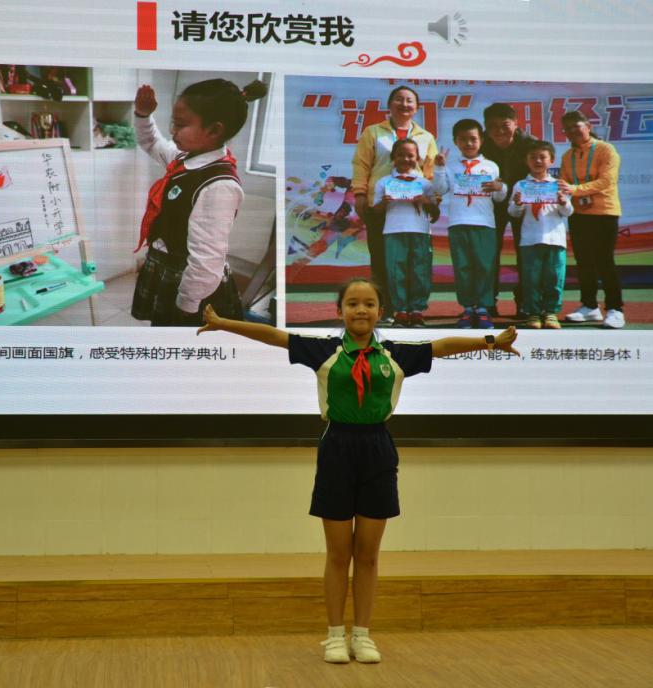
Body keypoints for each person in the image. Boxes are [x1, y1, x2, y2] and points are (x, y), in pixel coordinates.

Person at [197, 277, 519, 664]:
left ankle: (362, 635)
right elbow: (273, 336)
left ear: (380, 311)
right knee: (338, 554)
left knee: (367, 554)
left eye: (368, 303)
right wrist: (223, 323)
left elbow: (443, 345)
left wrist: (491, 340)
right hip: (336, 449)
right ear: (339, 311)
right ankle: (335, 635)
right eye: (352, 303)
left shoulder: (395, 355)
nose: (360, 310)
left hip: (378, 451)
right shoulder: (324, 351)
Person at [130, 78, 268, 326]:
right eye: (173, 123)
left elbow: (207, 257)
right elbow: (152, 143)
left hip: (192, 284)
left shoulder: (219, 186)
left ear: (214, 130)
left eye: (180, 124)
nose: (173, 131)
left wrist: (188, 303)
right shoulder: (184, 157)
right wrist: (143, 115)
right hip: (168, 266)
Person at [351, 86, 439, 318]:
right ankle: (386, 308)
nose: (404, 104)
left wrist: (432, 202)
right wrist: (360, 194)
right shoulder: (373, 132)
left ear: (417, 108)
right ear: (389, 104)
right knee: (382, 259)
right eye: (399, 99)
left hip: (413, 210)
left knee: (414, 261)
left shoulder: (426, 137)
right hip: (381, 205)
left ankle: (412, 308)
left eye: (409, 101)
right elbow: (361, 164)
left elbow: (430, 173)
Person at [432, 119, 508, 329]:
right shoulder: (450, 166)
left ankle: (483, 309)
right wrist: (439, 167)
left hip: (485, 224)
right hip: (458, 222)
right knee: (463, 267)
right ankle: (467, 308)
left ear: (481, 140)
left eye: (473, 139)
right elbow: (440, 189)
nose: (468, 143)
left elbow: (500, 198)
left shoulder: (490, 166)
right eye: (463, 139)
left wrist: (500, 188)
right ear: (455, 141)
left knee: (485, 266)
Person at [557, 110, 625, 329]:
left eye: (576, 126)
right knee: (584, 262)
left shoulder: (606, 149)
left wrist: (574, 189)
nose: (572, 131)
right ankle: (589, 306)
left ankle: (615, 309)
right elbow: (564, 182)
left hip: (604, 212)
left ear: (588, 126)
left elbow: (606, 181)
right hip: (579, 214)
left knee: (604, 261)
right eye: (567, 128)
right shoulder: (567, 156)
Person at [371, 139, 439, 327]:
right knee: (396, 271)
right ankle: (400, 311)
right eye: (400, 155)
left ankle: (417, 311)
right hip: (393, 231)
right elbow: (375, 211)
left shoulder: (425, 183)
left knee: (420, 271)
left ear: (417, 158)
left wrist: (426, 201)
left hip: (420, 232)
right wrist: (384, 202)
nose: (405, 159)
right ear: (393, 157)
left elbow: (435, 212)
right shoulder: (384, 182)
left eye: (410, 155)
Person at [481, 103, 538, 318]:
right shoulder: (480, 145)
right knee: (488, 253)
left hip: (522, 203)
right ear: (486, 127)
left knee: (526, 253)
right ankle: (488, 302)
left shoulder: (530, 144)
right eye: (492, 126)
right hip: (491, 205)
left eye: (504, 125)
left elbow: (539, 173)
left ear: (516, 123)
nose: (499, 131)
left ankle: (525, 301)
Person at [508, 140, 574, 329]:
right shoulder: (521, 185)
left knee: (554, 278)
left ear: (551, 160)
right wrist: (518, 204)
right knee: (531, 279)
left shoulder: (559, 185)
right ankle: (534, 313)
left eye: (542, 157)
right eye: (533, 157)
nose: (537, 161)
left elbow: (568, 212)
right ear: (526, 161)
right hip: (530, 240)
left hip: (554, 239)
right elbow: (513, 213)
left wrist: (563, 201)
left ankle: (551, 312)